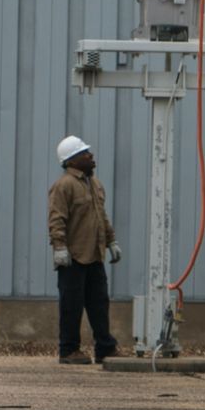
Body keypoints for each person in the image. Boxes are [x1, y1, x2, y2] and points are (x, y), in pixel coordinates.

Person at [48, 135, 121, 364]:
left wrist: (111, 241)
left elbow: (101, 216)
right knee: (71, 305)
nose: (91, 155)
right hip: (73, 257)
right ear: (72, 161)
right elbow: (57, 219)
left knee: (99, 304)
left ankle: (105, 348)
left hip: (95, 253)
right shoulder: (64, 186)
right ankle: (69, 350)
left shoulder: (95, 183)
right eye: (84, 153)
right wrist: (59, 248)